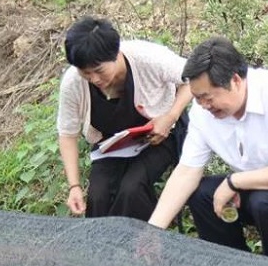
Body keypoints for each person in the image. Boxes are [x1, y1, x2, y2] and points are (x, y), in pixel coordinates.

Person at [147, 36, 268, 263]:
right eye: (197, 98)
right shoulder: (203, 112)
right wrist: (153, 231)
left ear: (235, 80)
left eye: (207, 97)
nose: (203, 105)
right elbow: (186, 172)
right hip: (263, 186)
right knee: (202, 194)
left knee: (265, 201)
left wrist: (235, 182)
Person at [57, 16, 193, 220]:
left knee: (132, 188)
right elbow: (67, 134)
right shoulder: (73, 83)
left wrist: (170, 116)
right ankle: (103, 241)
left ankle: (147, 238)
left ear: (116, 53)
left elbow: (193, 78)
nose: (94, 79)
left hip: (160, 136)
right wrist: (74, 186)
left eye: (99, 71)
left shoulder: (147, 58)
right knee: (98, 196)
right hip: (112, 145)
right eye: (86, 73)